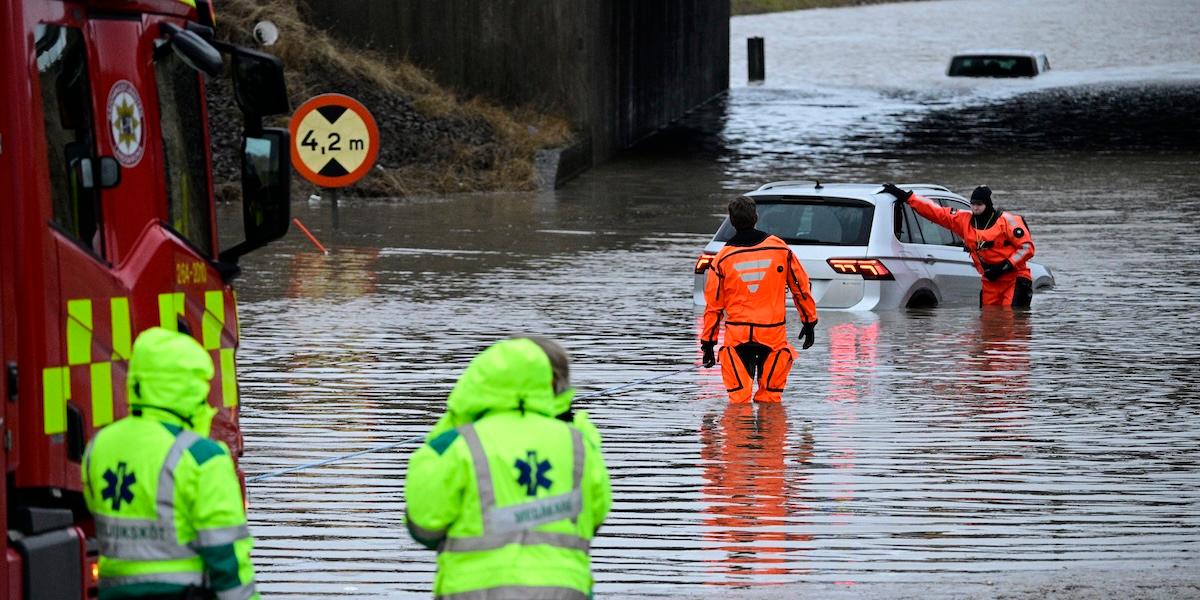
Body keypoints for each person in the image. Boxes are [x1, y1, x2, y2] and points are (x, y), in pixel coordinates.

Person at [404, 336, 612, 599]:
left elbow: (425, 527)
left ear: (479, 380)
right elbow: (595, 515)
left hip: (475, 592)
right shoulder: (579, 441)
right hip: (565, 591)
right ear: (553, 383)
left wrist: (456, 416)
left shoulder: (458, 443)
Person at [82, 327, 258, 600]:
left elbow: (97, 511)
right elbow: (227, 557)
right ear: (191, 387)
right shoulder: (203, 456)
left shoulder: (100, 446)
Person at [700, 196, 819, 404]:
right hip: (772, 336)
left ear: (732, 221)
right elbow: (801, 288)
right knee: (770, 400)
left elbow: (714, 306)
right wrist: (809, 321)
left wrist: (707, 344)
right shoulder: (780, 249)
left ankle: (739, 434)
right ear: (756, 217)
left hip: (738, 338)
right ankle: (770, 433)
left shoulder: (721, 259)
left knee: (738, 401)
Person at [882, 183, 1036, 308]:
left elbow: (1027, 247)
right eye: (973, 204)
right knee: (990, 324)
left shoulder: (1008, 221)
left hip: (1014, 278)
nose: (975, 208)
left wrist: (1004, 266)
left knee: (1011, 323)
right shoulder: (964, 219)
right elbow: (937, 212)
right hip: (990, 281)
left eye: (979, 204)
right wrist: (908, 197)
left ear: (988, 204)